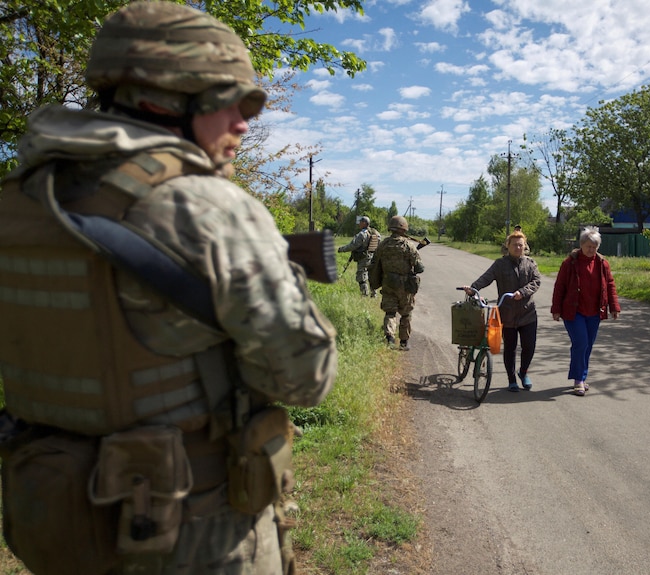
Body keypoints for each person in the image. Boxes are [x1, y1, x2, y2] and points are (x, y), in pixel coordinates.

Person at [0, 2, 337, 574]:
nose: (244, 122)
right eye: (230, 100)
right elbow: (305, 379)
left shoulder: (17, 203)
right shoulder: (209, 208)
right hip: (194, 533)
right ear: (163, 100)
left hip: (54, 523)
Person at [463, 230, 541, 392]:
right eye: (515, 245)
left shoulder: (530, 263)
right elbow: (486, 277)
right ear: (508, 246)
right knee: (510, 348)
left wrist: (523, 292)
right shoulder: (500, 264)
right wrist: (473, 288)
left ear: (524, 246)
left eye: (521, 245)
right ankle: (511, 379)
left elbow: (536, 281)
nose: (518, 248)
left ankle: (523, 372)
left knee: (529, 347)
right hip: (507, 314)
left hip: (528, 314)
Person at [551, 226, 620, 396]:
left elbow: (610, 285)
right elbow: (560, 286)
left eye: (595, 247)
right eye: (589, 246)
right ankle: (578, 380)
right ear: (581, 245)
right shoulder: (570, 262)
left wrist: (614, 307)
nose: (592, 250)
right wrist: (556, 309)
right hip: (574, 312)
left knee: (587, 346)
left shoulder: (603, 263)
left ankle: (582, 376)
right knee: (581, 344)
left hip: (595, 312)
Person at [369, 215, 424, 350]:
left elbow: (374, 264)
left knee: (390, 313)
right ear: (404, 229)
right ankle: (404, 342)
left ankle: (390, 339)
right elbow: (420, 268)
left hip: (388, 284)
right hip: (405, 286)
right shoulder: (409, 246)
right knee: (406, 314)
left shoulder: (383, 245)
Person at [338, 215, 380, 297]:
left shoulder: (362, 234)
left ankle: (364, 294)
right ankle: (374, 294)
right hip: (372, 257)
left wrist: (341, 249)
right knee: (371, 275)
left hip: (363, 257)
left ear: (364, 223)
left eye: (360, 222)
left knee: (361, 276)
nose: (359, 224)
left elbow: (352, 246)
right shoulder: (375, 233)